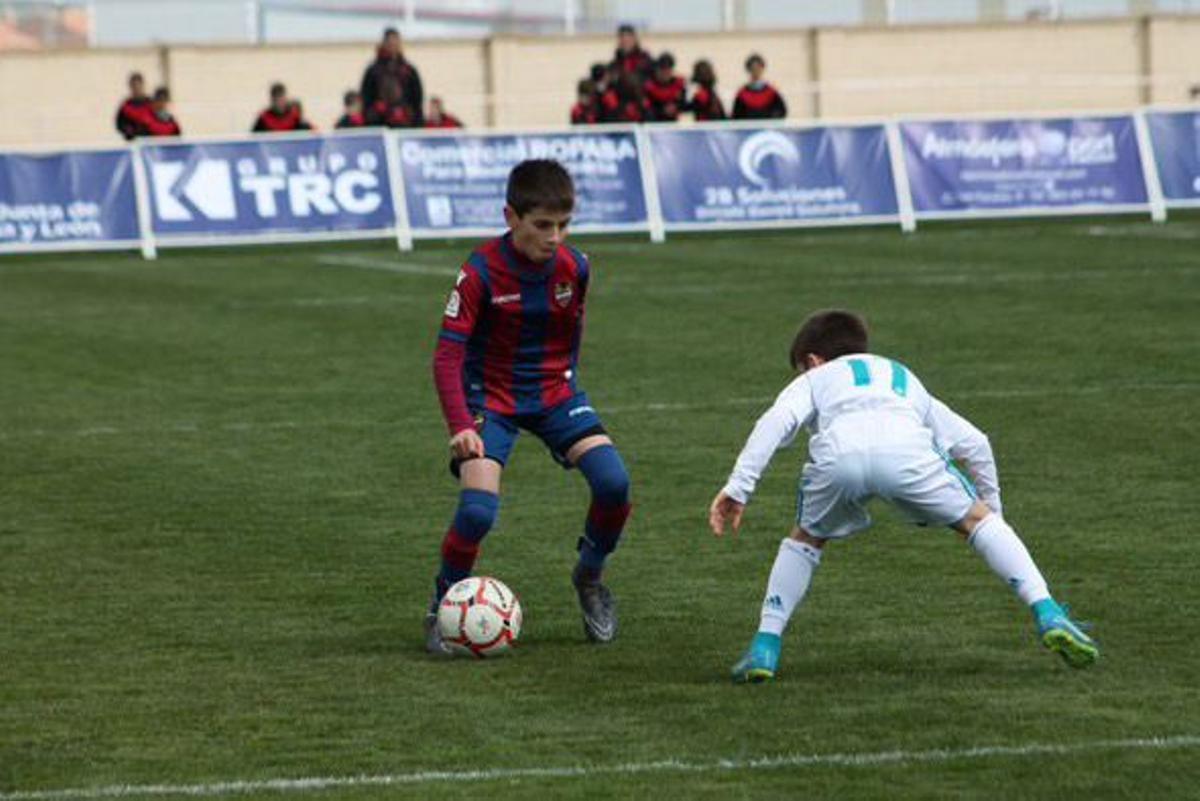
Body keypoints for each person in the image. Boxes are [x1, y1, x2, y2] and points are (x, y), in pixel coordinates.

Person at [708, 310, 1099, 682]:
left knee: (806, 538)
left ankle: (765, 646)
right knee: (978, 521)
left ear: (813, 360)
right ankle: (1047, 610)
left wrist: (739, 487)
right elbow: (975, 444)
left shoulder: (815, 379)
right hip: (907, 454)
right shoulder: (902, 376)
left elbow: (775, 421)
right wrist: (991, 522)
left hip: (838, 458)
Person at [426, 160, 632, 655]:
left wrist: (566, 387)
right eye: (542, 225)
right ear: (510, 217)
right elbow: (446, 355)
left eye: (564, 225)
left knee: (614, 483)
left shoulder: (576, 268)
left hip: (555, 394)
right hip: (490, 401)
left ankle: (589, 578)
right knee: (477, 512)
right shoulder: (478, 273)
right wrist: (460, 425)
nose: (555, 236)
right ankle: (440, 608)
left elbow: (570, 333)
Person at [360, 27, 423, 125]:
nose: (393, 45)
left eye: (396, 42)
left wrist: (417, 122)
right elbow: (366, 99)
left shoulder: (409, 70)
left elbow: (417, 100)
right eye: (390, 42)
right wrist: (374, 112)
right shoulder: (373, 71)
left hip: (405, 124)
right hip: (380, 124)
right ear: (384, 44)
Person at [732, 53, 786, 120]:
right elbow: (736, 116)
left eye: (758, 68)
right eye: (753, 68)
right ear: (749, 70)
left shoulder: (771, 92)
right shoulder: (742, 94)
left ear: (762, 69)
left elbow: (781, 112)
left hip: (768, 129)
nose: (756, 71)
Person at [642, 52, 686, 123]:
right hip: (654, 125)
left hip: (673, 124)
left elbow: (684, 104)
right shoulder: (649, 86)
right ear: (658, 69)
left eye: (668, 69)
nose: (665, 72)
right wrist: (663, 110)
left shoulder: (678, 84)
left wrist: (676, 107)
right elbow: (646, 107)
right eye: (663, 69)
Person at [115, 72, 152, 141]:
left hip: (150, 142)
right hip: (133, 143)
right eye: (133, 85)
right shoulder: (126, 105)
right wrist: (127, 129)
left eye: (138, 85)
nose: (136, 88)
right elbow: (119, 124)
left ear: (142, 85)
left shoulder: (151, 103)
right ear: (130, 86)